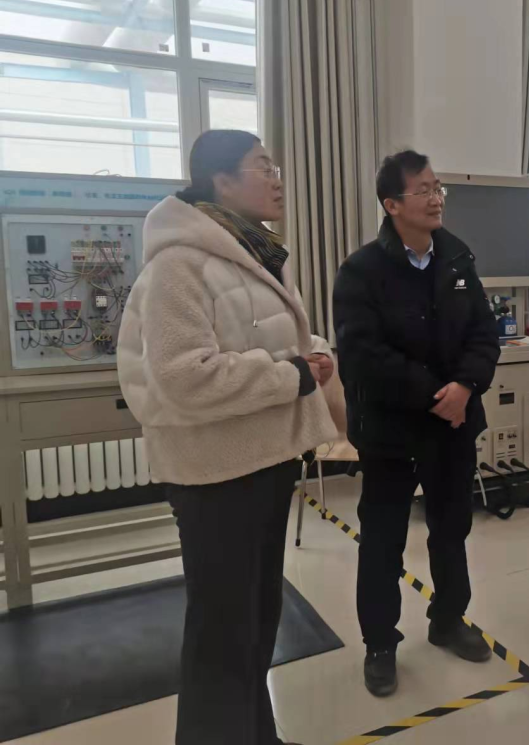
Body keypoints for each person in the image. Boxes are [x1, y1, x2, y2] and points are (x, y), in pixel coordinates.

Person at [118, 129, 339, 745]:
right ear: (220, 181)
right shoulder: (179, 265)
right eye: (262, 167)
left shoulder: (252, 252)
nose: (276, 179)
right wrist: (294, 375)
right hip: (214, 474)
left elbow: (274, 337)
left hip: (264, 460)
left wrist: (315, 354)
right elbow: (184, 377)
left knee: (257, 620)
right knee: (222, 634)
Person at [333, 150, 500, 697]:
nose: (435, 199)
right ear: (392, 204)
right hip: (391, 432)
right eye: (423, 190)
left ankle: (448, 620)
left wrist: (466, 386)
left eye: (438, 188)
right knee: (383, 540)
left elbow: (484, 334)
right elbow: (363, 356)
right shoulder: (362, 271)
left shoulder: (457, 258)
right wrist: (435, 395)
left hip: (453, 426)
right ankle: (380, 644)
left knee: (452, 530)